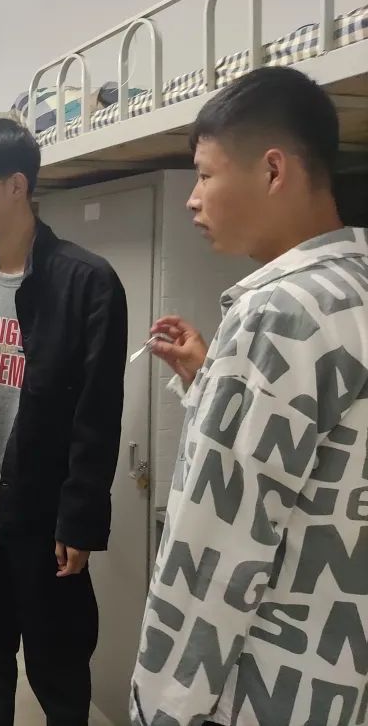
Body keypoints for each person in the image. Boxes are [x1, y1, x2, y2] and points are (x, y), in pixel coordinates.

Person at [131, 66, 368, 726]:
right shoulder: (353, 285)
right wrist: (210, 379)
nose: (192, 199)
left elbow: (212, 553)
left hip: (270, 683)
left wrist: (161, 707)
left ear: (272, 170)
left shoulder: (276, 313)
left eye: (205, 175)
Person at [0, 117, 128, 726]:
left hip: (45, 513)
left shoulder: (87, 282)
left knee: (58, 662)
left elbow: (98, 413)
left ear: (17, 186)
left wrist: (81, 518)